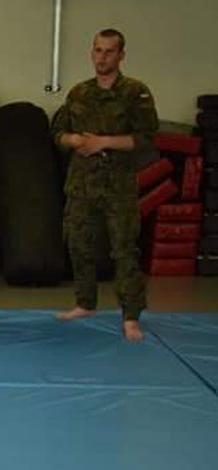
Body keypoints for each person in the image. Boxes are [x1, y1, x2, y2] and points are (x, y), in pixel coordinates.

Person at [52, 28, 157, 342]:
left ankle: (131, 315)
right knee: (77, 242)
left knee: (123, 248)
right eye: (98, 50)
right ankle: (85, 302)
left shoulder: (135, 93)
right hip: (82, 183)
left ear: (121, 55)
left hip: (117, 185)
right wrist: (73, 139)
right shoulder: (79, 93)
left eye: (109, 51)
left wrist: (103, 142)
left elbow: (147, 139)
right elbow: (58, 133)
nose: (102, 57)